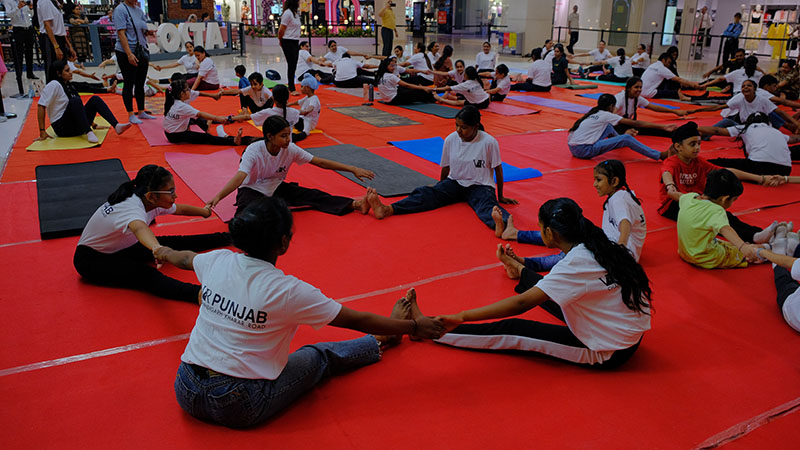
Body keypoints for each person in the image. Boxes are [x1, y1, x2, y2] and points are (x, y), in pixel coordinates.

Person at [159, 197, 444, 428]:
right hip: (239, 403)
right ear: (283, 243)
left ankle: (383, 337)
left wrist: (162, 251)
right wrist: (412, 327)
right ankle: (382, 339)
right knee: (318, 355)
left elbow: (184, 258)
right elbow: (355, 319)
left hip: (185, 388)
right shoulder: (288, 291)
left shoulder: (217, 260)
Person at [433, 197, 651, 369]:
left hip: (609, 350)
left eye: (540, 228)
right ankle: (517, 269)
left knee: (515, 329)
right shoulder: (599, 244)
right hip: (626, 334)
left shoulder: (575, 263)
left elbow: (521, 304)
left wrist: (461, 316)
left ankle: (435, 330)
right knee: (548, 287)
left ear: (549, 232)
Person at [73, 164, 231, 303]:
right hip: (91, 260)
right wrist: (157, 249)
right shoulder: (132, 208)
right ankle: (198, 294)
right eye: (170, 191)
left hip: (120, 247)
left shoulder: (148, 198)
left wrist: (204, 212)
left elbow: (180, 209)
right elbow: (140, 229)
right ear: (151, 196)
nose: (175, 195)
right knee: (145, 275)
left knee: (176, 242)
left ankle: (228, 237)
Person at [366, 106, 518, 235]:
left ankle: (505, 226)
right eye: (456, 125)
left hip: (480, 185)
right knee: (425, 193)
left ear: (476, 126)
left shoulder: (489, 142)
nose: (459, 130)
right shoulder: (451, 139)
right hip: (455, 183)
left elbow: (498, 169)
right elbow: (446, 167)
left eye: (463, 127)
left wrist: (501, 195)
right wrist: (440, 187)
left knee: (487, 205)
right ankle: (387, 209)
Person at [493, 160, 647, 273]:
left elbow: (625, 223)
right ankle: (515, 234)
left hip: (618, 256)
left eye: (599, 180)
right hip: (610, 244)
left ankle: (523, 265)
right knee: (564, 231)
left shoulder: (619, 199)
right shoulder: (623, 195)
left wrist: (620, 248)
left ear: (614, 181)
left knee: (567, 250)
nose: (594, 184)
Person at [208, 115, 375, 217]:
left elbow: (320, 162)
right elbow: (240, 177)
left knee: (313, 195)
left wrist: (352, 169)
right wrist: (218, 197)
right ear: (270, 136)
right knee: (248, 215)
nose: (289, 139)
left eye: (289, 134)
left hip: (276, 186)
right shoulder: (254, 150)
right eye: (283, 136)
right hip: (252, 188)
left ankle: (355, 204)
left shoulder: (290, 149)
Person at [658, 122, 785, 246]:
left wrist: (759, 179)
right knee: (714, 216)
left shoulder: (697, 162)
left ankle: (758, 233)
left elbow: (725, 171)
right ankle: (753, 237)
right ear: (678, 147)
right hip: (674, 204)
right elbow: (666, 173)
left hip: (697, 201)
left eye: (699, 143)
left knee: (723, 213)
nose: (697, 147)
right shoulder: (672, 162)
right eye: (692, 144)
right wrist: (670, 186)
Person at [676, 169, 775, 269]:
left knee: (731, 244)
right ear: (724, 198)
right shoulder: (716, 211)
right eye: (733, 200)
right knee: (744, 253)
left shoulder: (689, 197)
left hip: (686, 252)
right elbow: (726, 229)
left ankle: (763, 244)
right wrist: (742, 247)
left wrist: (670, 190)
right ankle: (770, 252)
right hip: (706, 258)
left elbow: (678, 196)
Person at [35, 60, 131, 144]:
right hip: (63, 128)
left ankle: (116, 125)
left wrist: (94, 124)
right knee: (75, 101)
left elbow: (81, 103)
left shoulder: (69, 85)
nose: (71, 73)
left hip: (75, 125)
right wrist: (42, 131)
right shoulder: (53, 85)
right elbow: (41, 106)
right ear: (58, 73)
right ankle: (89, 132)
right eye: (67, 71)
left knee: (94, 99)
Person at [566, 94, 674, 161]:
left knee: (609, 127)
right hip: (583, 150)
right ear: (612, 106)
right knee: (626, 138)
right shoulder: (606, 114)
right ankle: (659, 155)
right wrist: (663, 127)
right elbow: (636, 123)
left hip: (573, 148)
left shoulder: (593, 112)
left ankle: (621, 139)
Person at [699, 112, 800, 177]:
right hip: (785, 170)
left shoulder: (746, 128)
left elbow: (717, 130)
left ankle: (699, 165)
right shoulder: (776, 132)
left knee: (719, 163)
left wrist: (696, 128)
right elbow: (794, 138)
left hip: (759, 166)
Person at [163, 79, 255, 146]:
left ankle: (209, 125)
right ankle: (233, 141)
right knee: (207, 137)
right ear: (182, 94)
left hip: (169, 133)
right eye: (188, 90)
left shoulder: (173, 101)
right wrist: (217, 118)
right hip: (175, 136)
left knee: (193, 117)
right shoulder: (181, 106)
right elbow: (200, 114)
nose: (190, 91)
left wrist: (213, 96)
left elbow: (198, 100)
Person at [692, 80, 799, 131]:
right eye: (743, 86)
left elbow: (781, 111)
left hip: (761, 128)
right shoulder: (739, 98)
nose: (746, 88)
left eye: (749, 86)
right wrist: (695, 111)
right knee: (726, 122)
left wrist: (796, 124)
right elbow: (717, 107)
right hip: (745, 127)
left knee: (772, 113)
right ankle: (701, 133)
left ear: (755, 89)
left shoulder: (762, 99)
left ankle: (795, 126)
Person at [114, 0, 155, 125]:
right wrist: (129, 54)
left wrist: (148, 33)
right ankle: (131, 113)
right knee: (129, 82)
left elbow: (141, 29)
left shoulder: (139, 10)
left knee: (140, 82)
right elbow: (121, 33)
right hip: (126, 51)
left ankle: (141, 110)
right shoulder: (121, 10)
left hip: (141, 50)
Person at [611, 76, 688, 136]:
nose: (639, 90)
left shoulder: (638, 98)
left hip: (629, 124)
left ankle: (680, 133)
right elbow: (610, 117)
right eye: (636, 87)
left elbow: (655, 107)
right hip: (615, 126)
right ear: (628, 88)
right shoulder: (619, 98)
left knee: (656, 129)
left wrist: (674, 111)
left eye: (640, 87)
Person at [756, 228, 800, 333]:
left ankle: (777, 255)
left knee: (784, 280)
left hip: (793, 311)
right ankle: (787, 249)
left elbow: (789, 263)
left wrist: (762, 253)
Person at [38, 0, 73, 82]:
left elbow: (60, 27)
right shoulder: (44, 2)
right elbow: (47, 25)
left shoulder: (55, 2)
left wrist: (69, 45)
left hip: (60, 38)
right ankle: (52, 89)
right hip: (50, 39)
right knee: (53, 68)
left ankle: (64, 88)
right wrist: (56, 46)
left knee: (63, 67)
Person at [3, 0, 38, 79]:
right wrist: (18, 7)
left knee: (29, 52)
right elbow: (9, 14)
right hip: (18, 29)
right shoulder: (8, 1)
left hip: (28, 28)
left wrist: (31, 8)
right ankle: (19, 74)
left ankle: (30, 73)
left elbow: (30, 14)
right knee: (19, 53)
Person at [278, 0, 301, 95]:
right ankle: (291, 87)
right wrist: (280, 40)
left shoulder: (295, 14)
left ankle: (291, 85)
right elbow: (281, 30)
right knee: (291, 63)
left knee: (294, 63)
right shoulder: (287, 13)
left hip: (295, 41)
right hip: (287, 40)